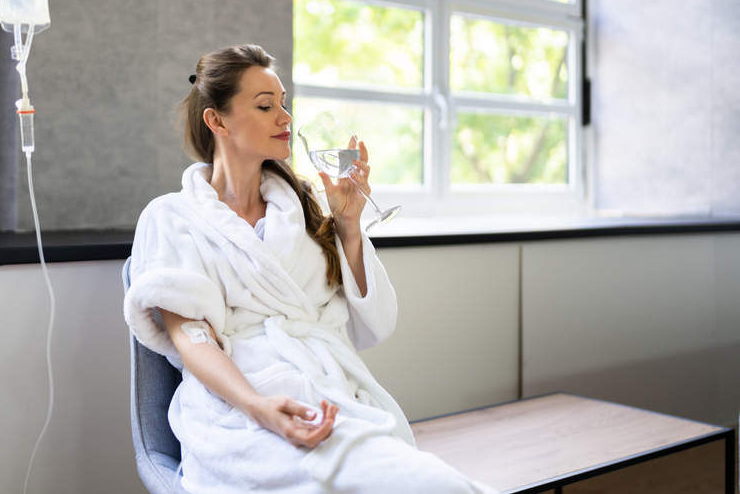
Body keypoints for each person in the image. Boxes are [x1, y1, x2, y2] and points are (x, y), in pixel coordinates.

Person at [124, 45, 496, 493]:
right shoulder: (171, 217)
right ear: (217, 121)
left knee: (433, 484)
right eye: (265, 106)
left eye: (284, 103)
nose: (285, 117)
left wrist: (348, 224)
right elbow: (191, 338)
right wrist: (258, 406)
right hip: (236, 411)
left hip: (329, 395)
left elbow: (372, 325)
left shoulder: (304, 207)